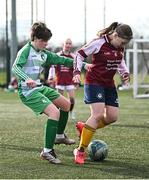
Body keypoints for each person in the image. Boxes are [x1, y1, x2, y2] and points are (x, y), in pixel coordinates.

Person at [12, 22, 77, 164]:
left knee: (66, 104)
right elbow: (15, 67)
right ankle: (47, 151)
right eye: (43, 41)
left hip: (39, 87)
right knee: (55, 113)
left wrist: (83, 65)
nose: (45, 44)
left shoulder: (43, 54)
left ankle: (59, 136)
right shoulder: (25, 51)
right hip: (27, 92)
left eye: (47, 41)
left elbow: (62, 60)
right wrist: (26, 78)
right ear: (34, 38)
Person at [73, 22, 133, 165]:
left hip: (108, 83)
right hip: (94, 82)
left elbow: (120, 61)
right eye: (122, 42)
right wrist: (76, 72)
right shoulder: (99, 42)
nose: (122, 45)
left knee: (112, 117)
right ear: (115, 35)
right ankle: (80, 150)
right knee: (97, 115)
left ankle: (85, 127)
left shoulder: (120, 46)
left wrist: (124, 73)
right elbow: (79, 55)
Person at [48, 38, 76, 120]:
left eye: (70, 43)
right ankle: (56, 114)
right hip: (60, 81)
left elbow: (76, 69)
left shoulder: (73, 56)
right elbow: (52, 66)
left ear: (71, 45)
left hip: (69, 81)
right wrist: (51, 76)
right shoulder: (58, 55)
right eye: (66, 43)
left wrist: (76, 79)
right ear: (63, 44)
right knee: (58, 100)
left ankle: (71, 112)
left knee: (72, 99)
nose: (68, 45)